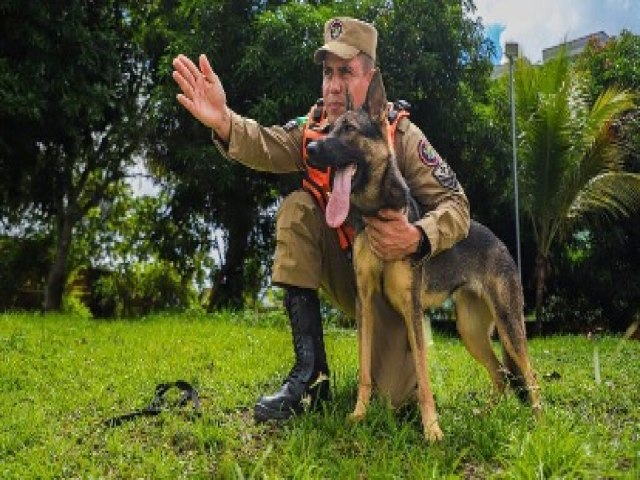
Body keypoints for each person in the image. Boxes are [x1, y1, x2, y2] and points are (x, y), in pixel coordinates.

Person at [172, 17, 470, 421]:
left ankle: (398, 357)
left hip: (393, 286)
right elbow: (264, 142)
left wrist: (418, 236)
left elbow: (456, 205)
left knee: (396, 401)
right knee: (297, 208)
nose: (332, 85)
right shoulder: (312, 130)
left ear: (371, 78)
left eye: (345, 72)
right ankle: (311, 377)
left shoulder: (400, 136)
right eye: (327, 72)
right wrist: (224, 120)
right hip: (344, 270)